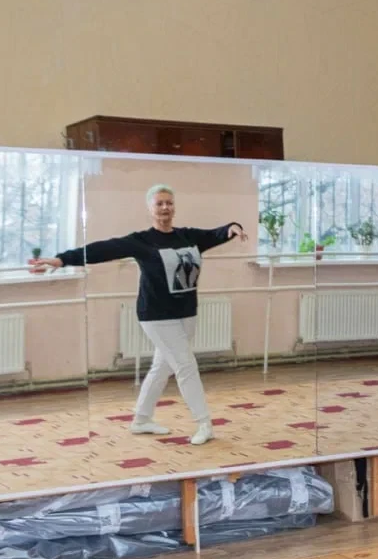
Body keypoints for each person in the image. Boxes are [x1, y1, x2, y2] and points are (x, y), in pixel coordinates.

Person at [34, 184, 247, 446]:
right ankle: (204, 423)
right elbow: (103, 249)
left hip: (186, 312)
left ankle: (141, 419)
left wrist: (233, 227)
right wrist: (62, 259)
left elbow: (216, 234)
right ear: (150, 208)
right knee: (185, 365)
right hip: (156, 315)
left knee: (162, 367)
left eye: (169, 203)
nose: (165, 207)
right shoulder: (142, 241)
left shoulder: (188, 236)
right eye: (159, 203)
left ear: (174, 207)